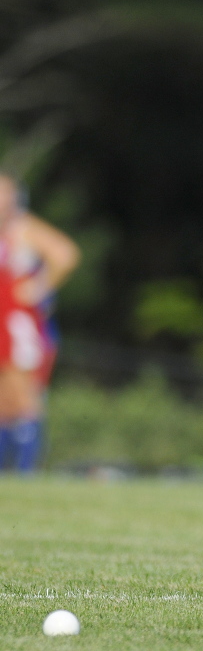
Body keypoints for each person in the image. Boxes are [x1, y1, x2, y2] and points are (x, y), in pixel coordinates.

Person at [0, 173, 80, 472]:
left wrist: (40, 288)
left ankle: (24, 469)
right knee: (3, 401)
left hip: (20, 324)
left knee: (24, 396)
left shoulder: (24, 228)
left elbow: (66, 254)